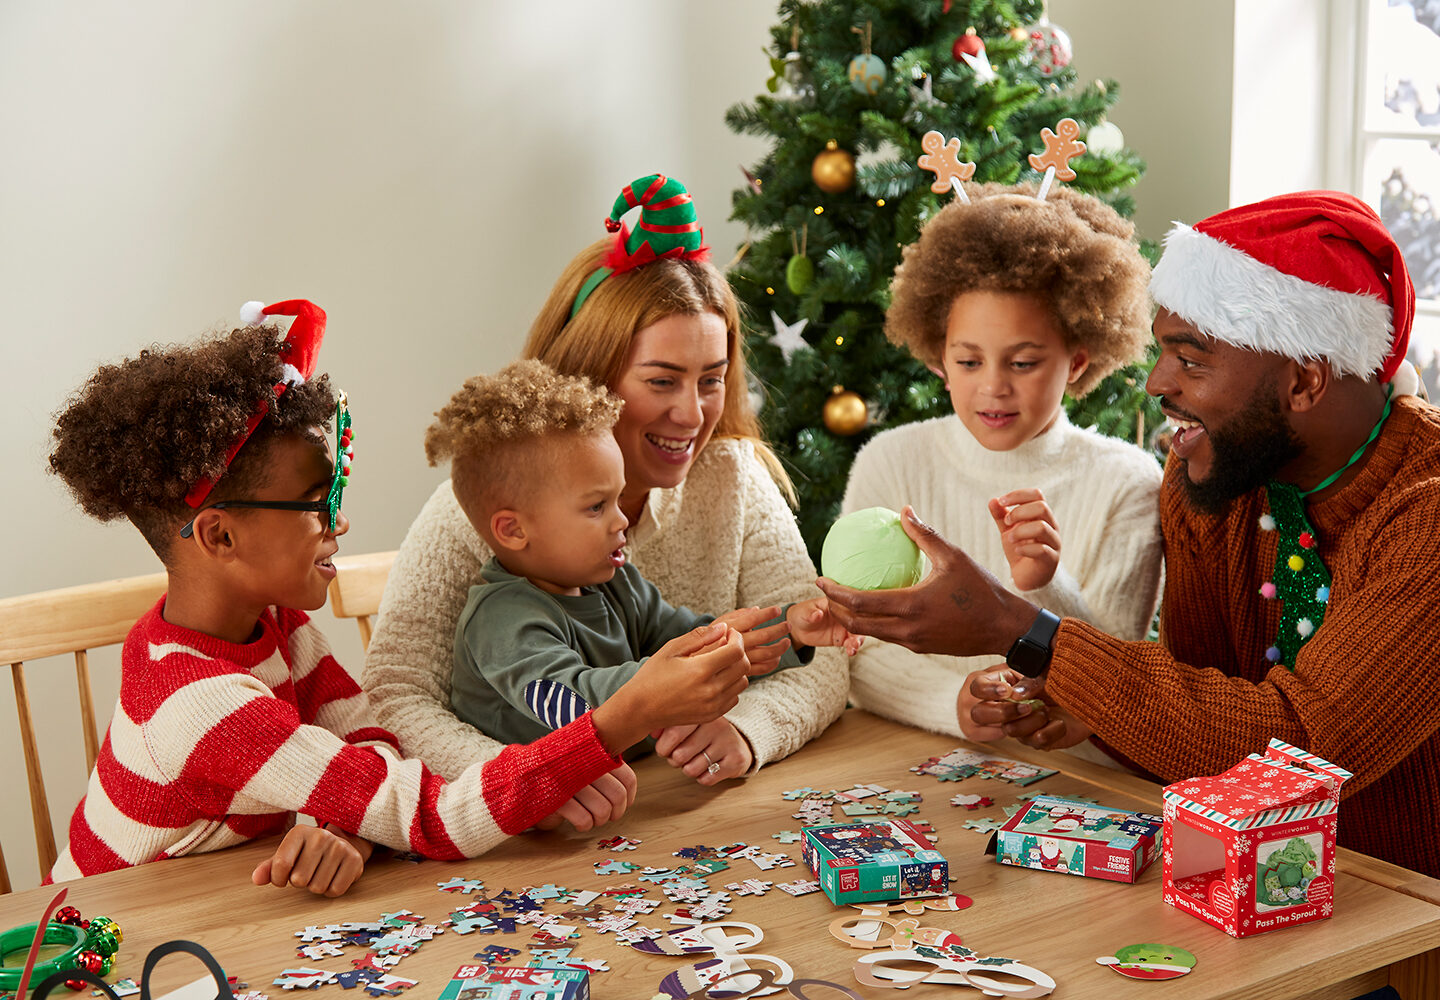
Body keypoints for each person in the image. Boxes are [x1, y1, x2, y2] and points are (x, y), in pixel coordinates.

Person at [818, 191, 1440, 878]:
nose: (1155, 382)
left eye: (1191, 359)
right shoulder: (1209, 473)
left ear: (1304, 381)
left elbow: (1305, 749)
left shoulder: (1425, 514)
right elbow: (1204, 703)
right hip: (1240, 876)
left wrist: (1023, 628)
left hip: (1402, 908)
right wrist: (1100, 722)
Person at [45, 300, 752, 894]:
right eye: (316, 503)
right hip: (112, 944)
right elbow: (432, 816)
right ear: (220, 537)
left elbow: (371, 742)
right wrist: (626, 714)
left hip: (221, 910)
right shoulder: (200, 704)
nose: (340, 521)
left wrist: (342, 819)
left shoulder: (274, 625)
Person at [364, 175, 849, 788]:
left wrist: (750, 716)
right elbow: (395, 698)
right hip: (531, 834)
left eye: (712, 379)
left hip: (667, 813)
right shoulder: (487, 524)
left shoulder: (723, 487)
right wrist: (526, 783)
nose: (694, 415)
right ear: (592, 375)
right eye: (662, 380)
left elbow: (728, 645)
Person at [840, 182, 1161, 766]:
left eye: (1023, 362)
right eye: (968, 361)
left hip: (1077, 789)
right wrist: (954, 704)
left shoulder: (1128, 483)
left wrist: (1046, 585)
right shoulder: (891, 461)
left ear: (1078, 362)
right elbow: (856, 643)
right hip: (910, 762)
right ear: (939, 359)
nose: (993, 386)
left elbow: (1121, 685)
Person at [427, 360, 858, 765]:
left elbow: (695, 636)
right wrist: (682, 674)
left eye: (617, 498)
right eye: (596, 507)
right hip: (542, 829)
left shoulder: (617, 582)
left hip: (640, 794)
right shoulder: (502, 620)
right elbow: (574, 706)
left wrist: (789, 628)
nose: (620, 519)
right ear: (513, 530)